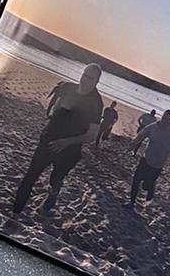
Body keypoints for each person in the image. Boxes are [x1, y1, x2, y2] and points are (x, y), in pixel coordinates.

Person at [13, 63, 103, 214]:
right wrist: (51, 121)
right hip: (48, 141)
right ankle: (15, 213)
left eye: (91, 78)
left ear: (96, 82)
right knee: (30, 177)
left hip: (69, 150)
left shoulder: (96, 103)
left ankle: (54, 193)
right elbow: (55, 104)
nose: (86, 80)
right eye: (85, 75)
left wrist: (67, 141)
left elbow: (92, 135)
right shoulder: (67, 87)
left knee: (55, 179)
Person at [128, 108, 170, 204]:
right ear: (162, 117)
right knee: (136, 180)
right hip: (146, 159)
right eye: (164, 118)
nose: (165, 121)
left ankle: (151, 189)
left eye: (167, 119)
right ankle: (131, 203)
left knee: (146, 186)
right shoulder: (153, 127)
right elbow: (141, 134)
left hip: (157, 165)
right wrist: (133, 144)